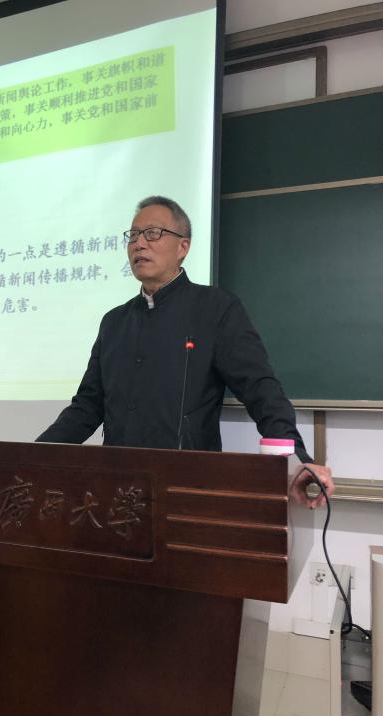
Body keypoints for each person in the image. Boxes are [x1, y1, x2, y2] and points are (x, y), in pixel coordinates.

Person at [37, 196, 334, 508]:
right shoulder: (114, 322)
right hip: (117, 488)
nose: (139, 244)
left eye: (153, 233)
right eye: (133, 235)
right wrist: (31, 455)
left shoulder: (216, 309)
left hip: (188, 488)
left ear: (183, 247)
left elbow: (261, 390)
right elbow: (87, 407)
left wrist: (299, 457)